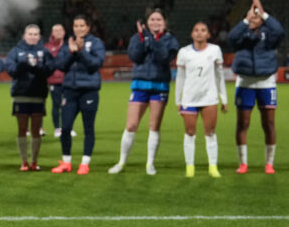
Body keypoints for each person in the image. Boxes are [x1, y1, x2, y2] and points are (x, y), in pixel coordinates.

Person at [108, 10, 179, 175]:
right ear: (147, 22)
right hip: (139, 85)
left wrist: (153, 40)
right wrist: (142, 39)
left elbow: (163, 58)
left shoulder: (170, 40)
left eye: (159, 19)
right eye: (152, 19)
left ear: (165, 22)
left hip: (159, 85)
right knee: (131, 125)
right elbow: (135, 56)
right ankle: (121, 162)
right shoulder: (137, 37)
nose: (155, 22)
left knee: (154, 127)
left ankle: (150, 164)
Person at [228, 0, 284, 174]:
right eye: (251, 17)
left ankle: (269, 163)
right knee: (243, 123)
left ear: (263, 20)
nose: (253, 19)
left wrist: (263, 12)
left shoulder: (270, 36)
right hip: (245, 83)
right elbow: (231, 37)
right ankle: (243, 163)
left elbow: (280, 31)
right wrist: (245, 20)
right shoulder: (241, 35)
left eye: (256, 17)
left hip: (266, 82)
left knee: (268, 123)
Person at [51, 15, 106, 174]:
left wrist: (81, 51)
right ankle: (66, 162)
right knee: (65, 127)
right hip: (70, 91)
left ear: (88, 27)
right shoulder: (68, 43)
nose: (79, 29)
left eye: (82, 26)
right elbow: (60, 65)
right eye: (76, 26)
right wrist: (72, 52)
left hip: (89, 91)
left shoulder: (96, 43)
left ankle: (84, 163)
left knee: (88, 128)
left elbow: (95, 65)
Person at [175, 22, 226, 177]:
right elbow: (180, 78)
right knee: (190, 132)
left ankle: (213, 166)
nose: (199, 33)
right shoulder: (184, 52)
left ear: (208, 35)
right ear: (192, 34)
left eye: (203, 30)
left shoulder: (215, 50)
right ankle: (190, 167)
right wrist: (178, 100)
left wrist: (223, 98)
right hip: (189, 99)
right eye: (196, 30)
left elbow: (219, 76)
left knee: (210, 132)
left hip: (209, 98)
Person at [4, 24, 54, 171]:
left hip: (38, 96)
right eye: (30, 34)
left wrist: (37, 68)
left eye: (35, 34)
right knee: (21, 129)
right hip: (21, 95)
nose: (32, 37)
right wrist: (23, 65)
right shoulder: (16, 51)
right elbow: (10, 69)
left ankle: (34, 161)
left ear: (39, 37)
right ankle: (24, 161)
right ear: (24, 36)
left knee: (36, 130)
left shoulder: (44, 52)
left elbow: (49, 69)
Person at [44, 23, 67, 138]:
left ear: (64, 32)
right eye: (55, 30)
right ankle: (58, 128)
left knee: (68, 105)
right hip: (54, 81)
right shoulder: (47, 47)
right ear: (52, 33)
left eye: (60, 30)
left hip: (68, 80)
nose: (58, 32)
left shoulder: (68, 45)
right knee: (56, 104)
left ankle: (67, 127)